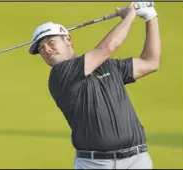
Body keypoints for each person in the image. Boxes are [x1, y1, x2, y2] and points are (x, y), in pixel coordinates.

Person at [29, 2, 161, 169]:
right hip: (95, 164)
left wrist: (151, 17)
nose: (46, 49)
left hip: (137, 160)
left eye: (51, 41)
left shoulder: (108, 66)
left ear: (68, 39)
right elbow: (109, 46)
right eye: (41, 48)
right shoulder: (60, 75)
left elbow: (151, 62)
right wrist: (129, 16)